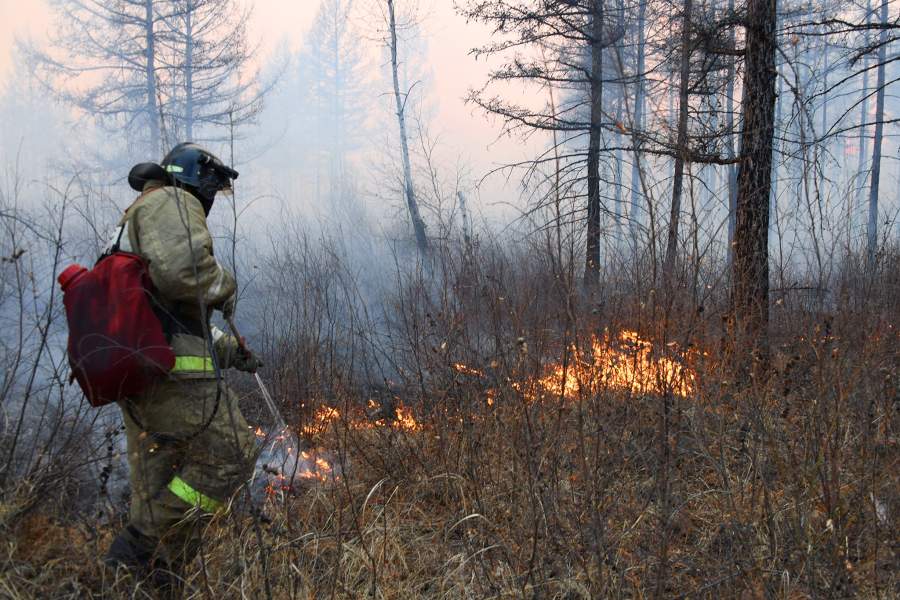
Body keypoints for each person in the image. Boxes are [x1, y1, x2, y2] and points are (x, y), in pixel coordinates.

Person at [104, 143, 262, 590]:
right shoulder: (175, 200)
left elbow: (167, 317)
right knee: (231, 456)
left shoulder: (139, 213)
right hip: (173, 380)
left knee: (158, 489)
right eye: (212, 185)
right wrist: (224, 287)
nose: (212, 197)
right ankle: (138, 551)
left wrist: (232, 351)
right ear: (196, 179)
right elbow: (184, 273)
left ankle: (153, 580)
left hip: (143, 376)